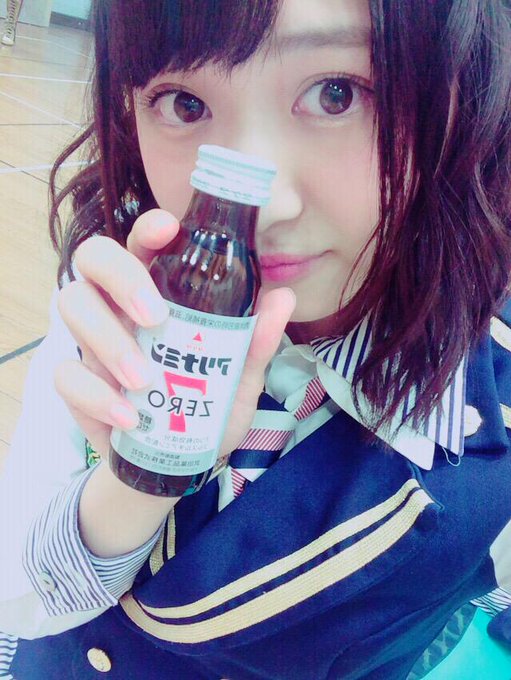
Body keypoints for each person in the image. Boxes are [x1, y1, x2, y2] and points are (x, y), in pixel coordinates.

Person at [1, 0, 511, 678]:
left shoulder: (493, 404)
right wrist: (139, 480)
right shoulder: (129, 286)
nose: (260, 205)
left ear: (462, 92)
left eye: (337, 94)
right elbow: (18, 596)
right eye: (183, 103)